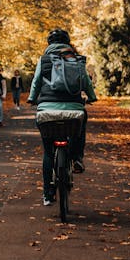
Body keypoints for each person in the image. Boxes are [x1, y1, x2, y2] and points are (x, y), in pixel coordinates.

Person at [27, 29, 97, 205]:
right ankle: (77, 157)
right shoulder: (74, 59)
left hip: (47, 109)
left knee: (48, 152)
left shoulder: (43, 60)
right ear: (68, 42)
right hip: (74, 108)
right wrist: (92, 97)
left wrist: (32, 98)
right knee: (80, 123)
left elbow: (36, 82)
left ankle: (47, 194)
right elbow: (86, 82)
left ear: (49, 44)